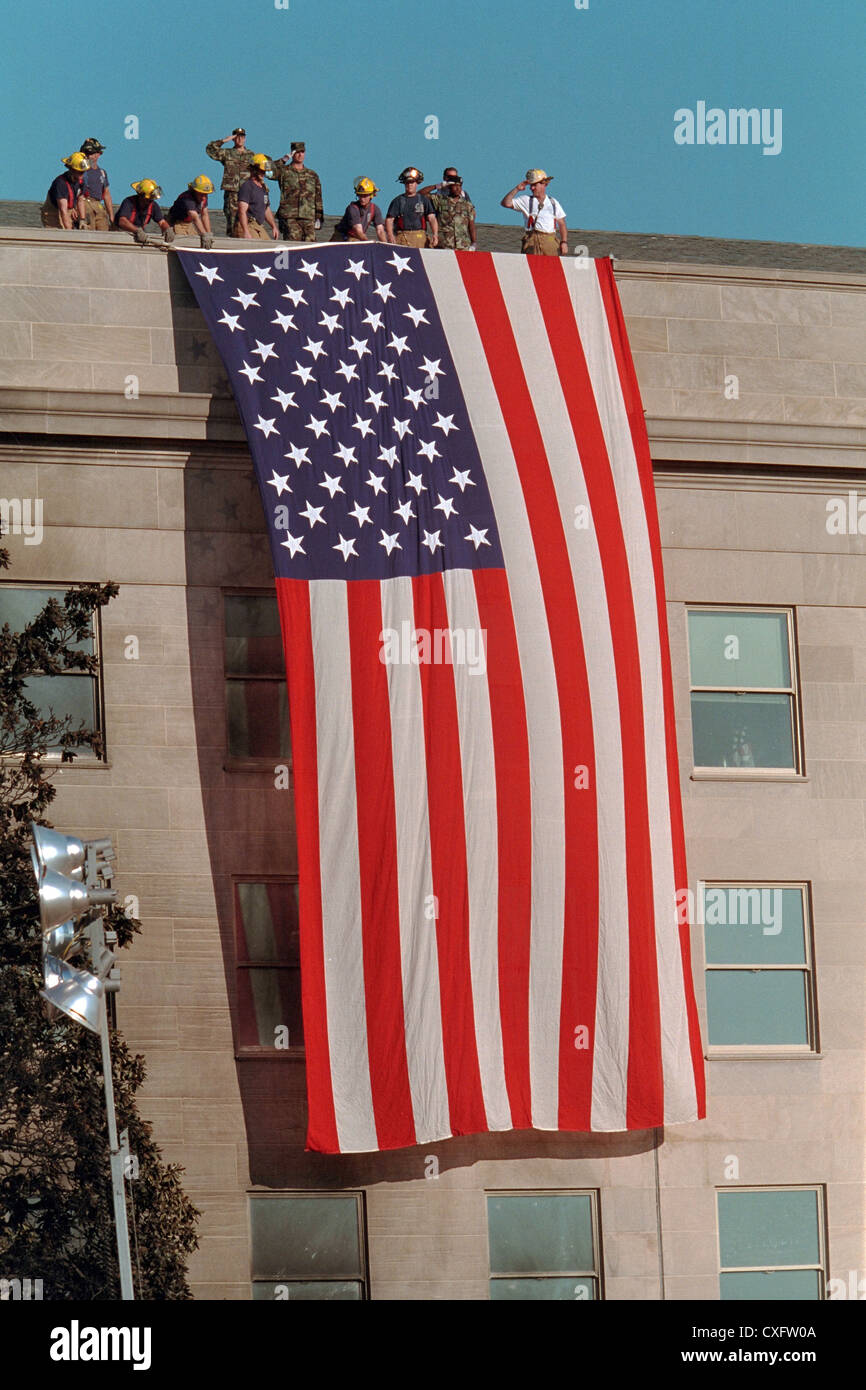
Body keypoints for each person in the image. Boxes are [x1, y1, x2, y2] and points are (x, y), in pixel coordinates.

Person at [501, 169, 568, 256]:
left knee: (551, 267)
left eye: (534, 185)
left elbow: (562, 223)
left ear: (544, 184)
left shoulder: (553, 202)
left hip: (550, 241)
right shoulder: (526, 200)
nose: (531, 188)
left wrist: (564, 242)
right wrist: (517, 189)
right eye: (531, 185)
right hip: (532, 241)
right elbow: (506, 203)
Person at [205, 128, 257, 236]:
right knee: (232, 220)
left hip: (247, 193)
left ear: (245, 138)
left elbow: (261, 170)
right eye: (237, 136)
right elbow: (210, 149)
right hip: (232, 193)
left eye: (242, 136)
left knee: (249, 220)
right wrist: (225, 140)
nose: (239, 139)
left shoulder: (251, 155)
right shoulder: (227, 153)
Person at [268, 141, 323, 242]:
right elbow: (268, 171)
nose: (300, 154)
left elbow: (318, 196)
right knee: (293, 246)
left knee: (310, 248)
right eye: (297, 152)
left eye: (302, 152)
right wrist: (284, 159)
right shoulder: (284, 171)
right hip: (290, 217)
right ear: (292, 153)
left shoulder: (312, 175)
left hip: (308, 216)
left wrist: (319, 217)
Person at [420, 168, 476, 250]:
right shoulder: (439, 199)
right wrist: (438, 186)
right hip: (444, 244)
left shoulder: (467, 203)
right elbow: (420, 195)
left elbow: (471, 224)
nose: (457, 188)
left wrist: (474, 243)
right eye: (454, 186)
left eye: (459, 186)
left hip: (463, 245)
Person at [385, 168, 438, 248]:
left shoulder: (424, 200)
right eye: (407, 183)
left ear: (417, 183)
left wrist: (435, 234)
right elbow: (389, 220)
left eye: (412, 182)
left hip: (420, 238)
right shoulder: (398, 201)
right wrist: (390, 235)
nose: (409, 185)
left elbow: (432, 218)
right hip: (402, 238)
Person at [331, 178, 387, 243]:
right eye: (360, 195)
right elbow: (358, 230)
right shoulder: (352, 208)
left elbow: (380, 230)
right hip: (341, 238)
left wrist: (385, 245)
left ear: (371, 195)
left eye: (365, 196)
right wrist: (368, 242)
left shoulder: (375, 209)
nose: (362, 199)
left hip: (357, 238)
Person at [236, 155, 278, 240]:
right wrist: (246, 231)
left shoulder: (263, 188)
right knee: (256, 246)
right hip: (248, 225)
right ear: (254, 169)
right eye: (261, 171)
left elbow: (266, 209)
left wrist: (274, 226)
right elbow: (242, 211)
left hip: (258, 226)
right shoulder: (247, 186)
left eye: (264, 171)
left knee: (270, 249)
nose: (263, 173)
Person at [41, 154, 87, 230]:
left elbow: (80, 200)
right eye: (80, 172)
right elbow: (63, 210)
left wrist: (82, 220)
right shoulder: (61, 183)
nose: (82, 175)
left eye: (83, 172)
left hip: (67, 212)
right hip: (52, 214)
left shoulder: (81, 182)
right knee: (58, 236)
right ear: (72, 170)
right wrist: (69, 232)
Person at [167, 176, 214, 246]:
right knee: (183, 243)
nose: (204, 197)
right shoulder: (187, 199)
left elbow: (205, 215)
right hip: (177, 223)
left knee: (196, 242)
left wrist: (209, 234)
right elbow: (195, 217)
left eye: (206, 194)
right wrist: (204, 235)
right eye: (201, 194)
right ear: (195, 191)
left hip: (189, 224)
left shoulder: (203, 198)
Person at [79, 138, 113, 231]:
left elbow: (106, 195)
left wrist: (111, 216)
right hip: (85, 203)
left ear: (99, 154)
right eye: (87, 153)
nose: (90, 156)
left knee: (104, 233)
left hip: (98, 205)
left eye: (93, 153)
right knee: (88, 233)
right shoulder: (79, 171)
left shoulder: (102, 172)